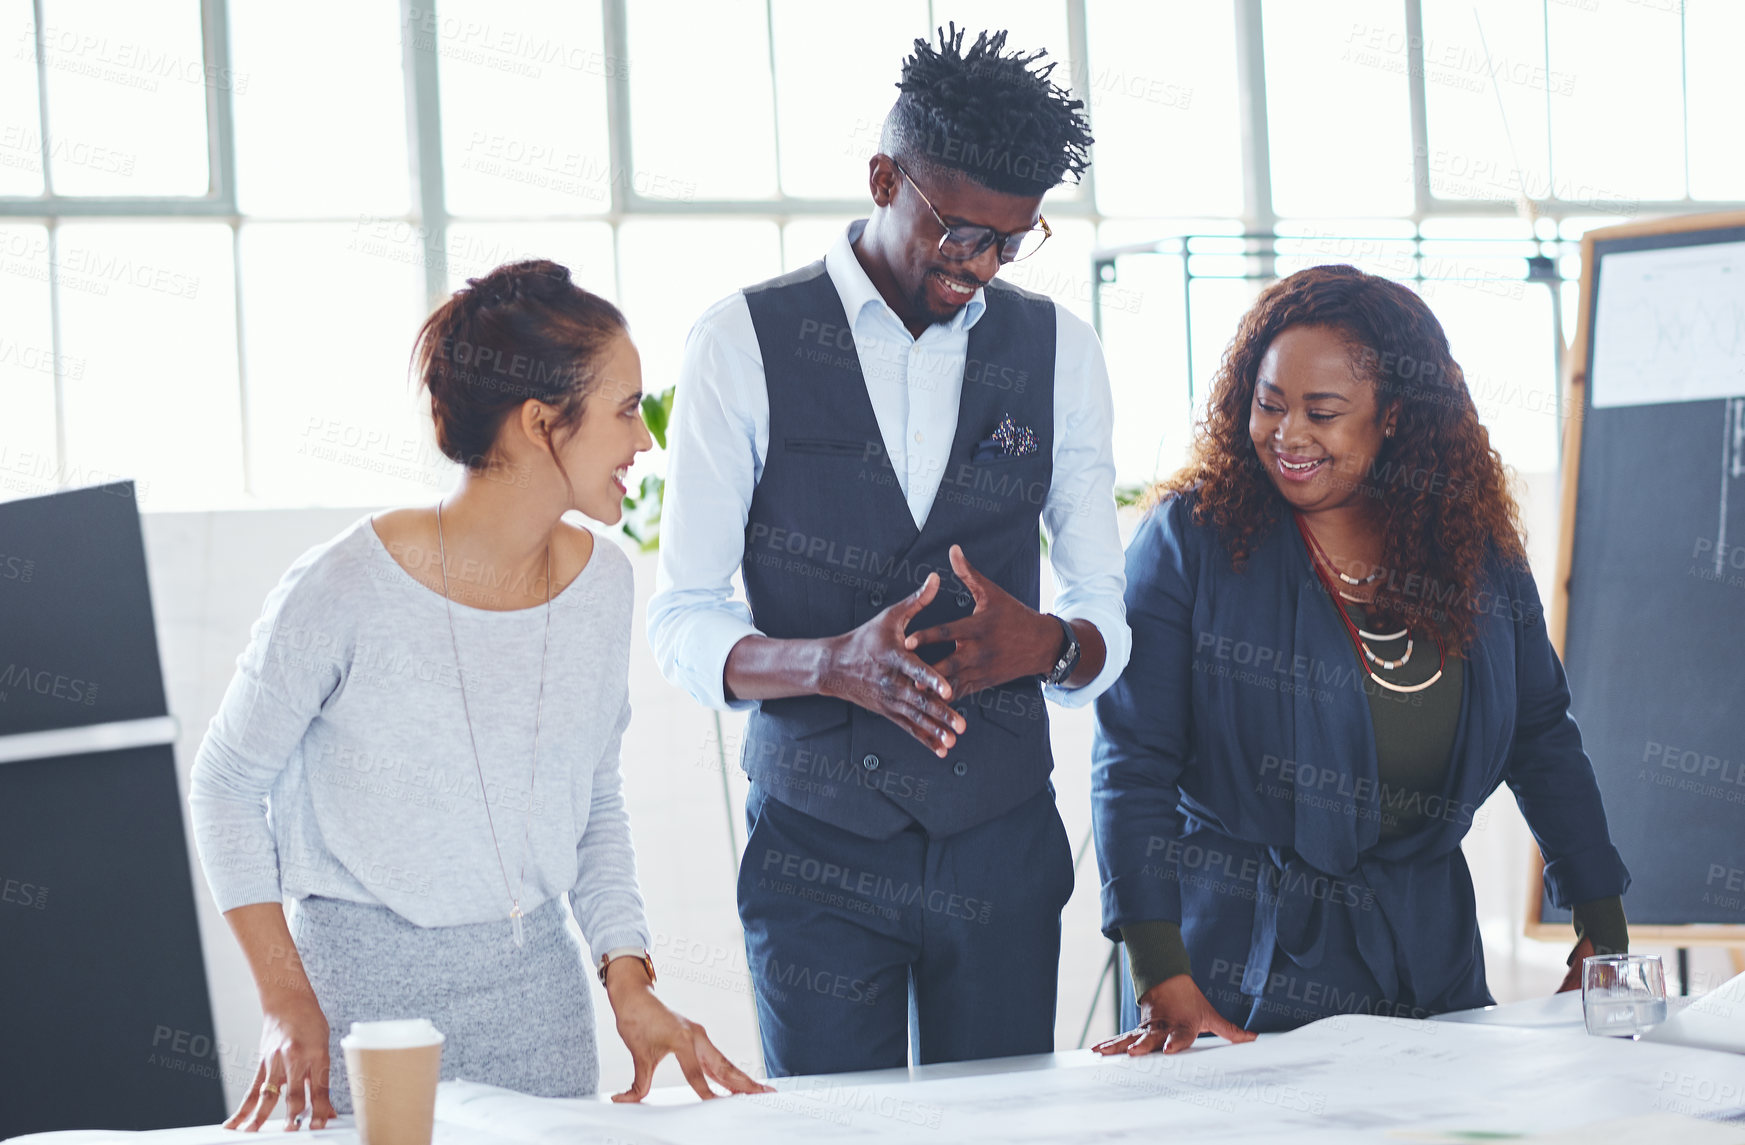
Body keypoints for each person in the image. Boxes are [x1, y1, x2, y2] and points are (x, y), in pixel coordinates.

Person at [647, 26, 1131, 1076]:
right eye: (958, 230)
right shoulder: (742, 340)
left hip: (1000, 843)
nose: (980, 265)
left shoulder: (1058, 351)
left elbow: (1103, 599)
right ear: (881, 178)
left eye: (1011, 239)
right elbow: (679, 611)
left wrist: (1047, 644)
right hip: (815, 851)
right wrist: (826, 664)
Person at [188, 260, 768, 1131]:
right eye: (623, 408)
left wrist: (629, 980)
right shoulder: (345, 584)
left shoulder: (604, 586)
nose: (643, 439)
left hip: (539, 1014)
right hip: (364, 1023)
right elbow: (226, 784)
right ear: (542, 423)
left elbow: (593, 802)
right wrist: (285, 999)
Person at [1090, 264, 1631, 1055]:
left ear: (1394, 418)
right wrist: (1157, 965)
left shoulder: (1470, 548)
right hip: (1234, 978)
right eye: (1268, 402)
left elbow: (1541, 735)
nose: (1287, 433)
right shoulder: (1192, 538)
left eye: (1323, 411)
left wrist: (1600, 920)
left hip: (1429, 967)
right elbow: (1132, 760)